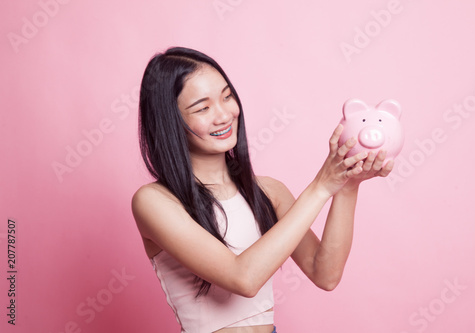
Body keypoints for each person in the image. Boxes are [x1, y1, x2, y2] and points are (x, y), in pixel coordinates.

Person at [131, 47, 393, 333]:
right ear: (171, 122)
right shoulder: (155, 202)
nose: (224, 115)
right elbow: (243, 278)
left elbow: (325, 273)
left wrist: (347, 183)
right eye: (203, 108)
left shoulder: (267, 191)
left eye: (227, 96)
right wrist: (320, 186)